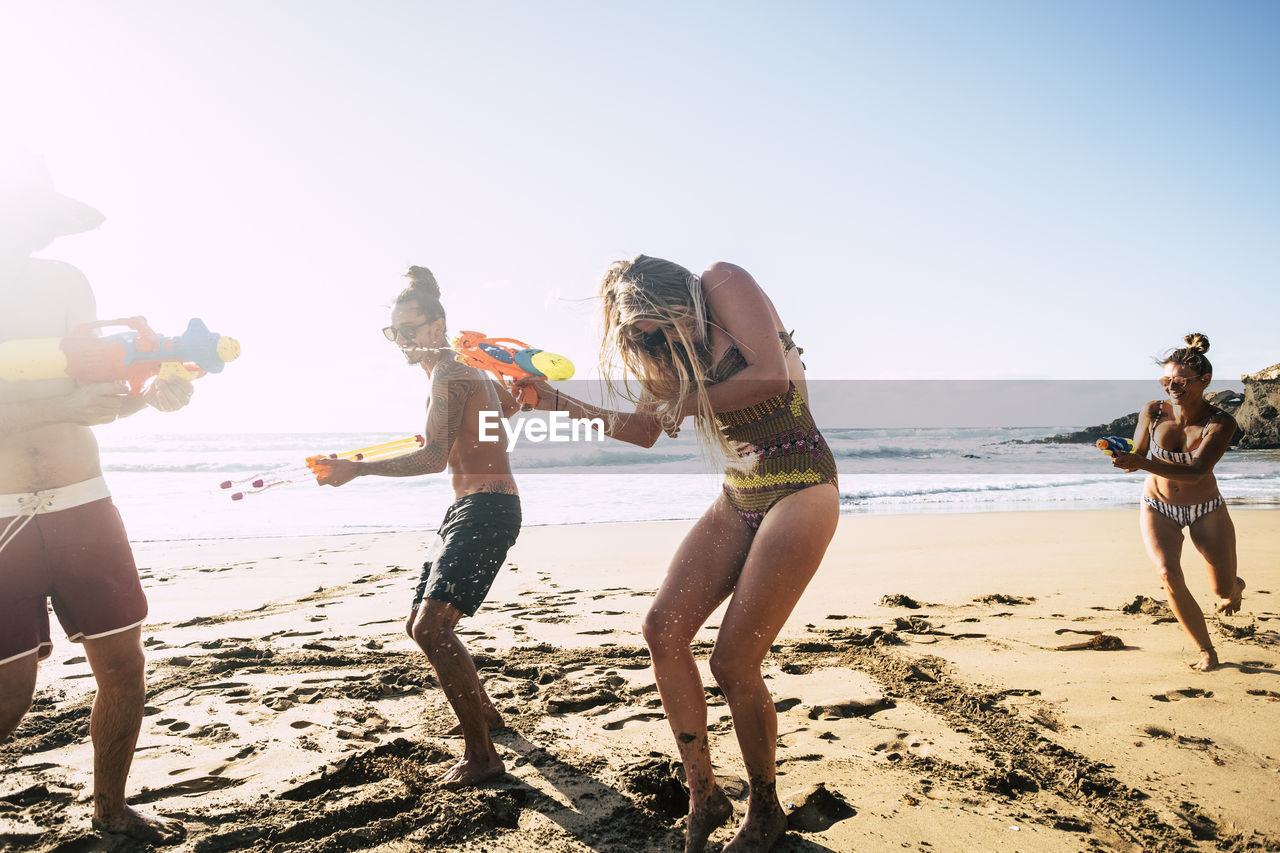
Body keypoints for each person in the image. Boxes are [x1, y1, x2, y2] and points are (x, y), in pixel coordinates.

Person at [521, 256, 839, 853]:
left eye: (669, 326)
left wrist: (681, 403)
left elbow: (770, 377)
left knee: (732, 663)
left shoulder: (722, 280)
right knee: (662, 628)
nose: (667, 342)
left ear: (681, 297)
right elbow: (644, 430)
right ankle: (704, 794)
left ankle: (764, 809)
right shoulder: (664, 357)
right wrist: (550, 402)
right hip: (739, 493)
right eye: (648, 338)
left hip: (801, 483)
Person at [0, 153, 191, 843]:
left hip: (85, 500)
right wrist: (65, 403)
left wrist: (149, 395)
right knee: (9, 692)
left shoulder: (66, 282)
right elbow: (61, 400)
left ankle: (110, 808)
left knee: (123, 667)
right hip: (5, 515)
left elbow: (97, 399)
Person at [316, 265, 522, 787]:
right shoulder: (458, 372)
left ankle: (483, 756)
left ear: (439, 325)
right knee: (419, 626)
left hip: (488, 507)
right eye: (395, 332)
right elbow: (489, 419)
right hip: (469, 507)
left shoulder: (449, 371)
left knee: (433, 629)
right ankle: (489, 719)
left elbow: (433, 458)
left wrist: (356, 470)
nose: (402, 341)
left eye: (410, 329)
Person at [1111, 333, 1244, 671]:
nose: (1171, 385)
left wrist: (1141, 463)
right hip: (1158, 505)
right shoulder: (1153, 412)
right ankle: (1207, 651)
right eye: (1166, 378)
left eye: (1180, 380)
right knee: (1168, 573)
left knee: (1223, 590)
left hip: (1206, 509)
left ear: (1205, 380)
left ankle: (1235, 587)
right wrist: (1126, 457)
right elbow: (1140, 454)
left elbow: (1198, 472)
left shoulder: (1221, 422)